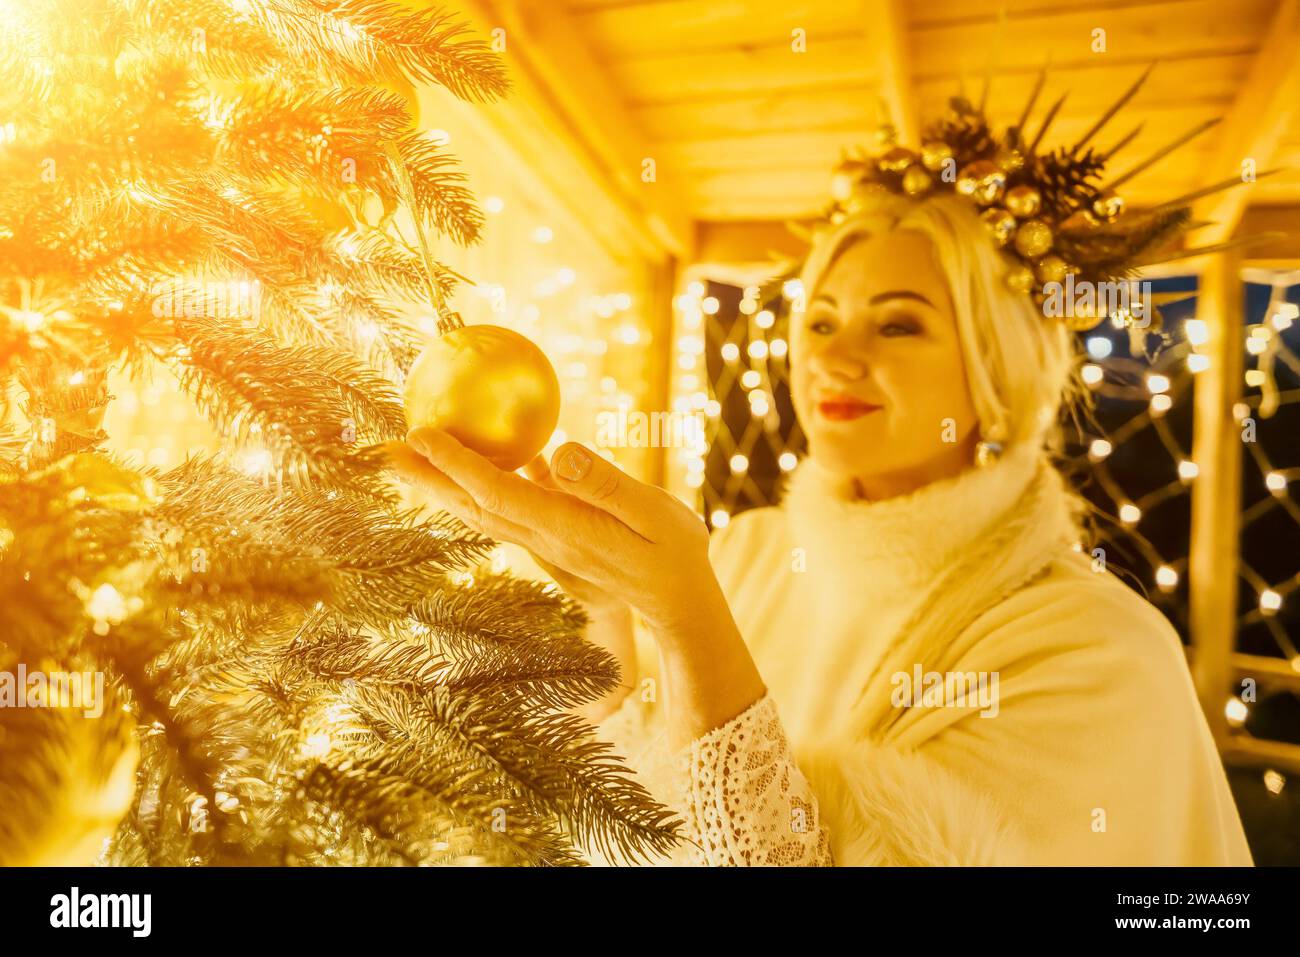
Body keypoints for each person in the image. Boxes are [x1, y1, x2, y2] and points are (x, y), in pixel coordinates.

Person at [389, 123, 1253, 866]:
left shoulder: (1101, 652)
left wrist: (690, 623)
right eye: (823, 320)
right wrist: (610, 624)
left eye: (899, 322)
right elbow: (634, 822)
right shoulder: (750, 552)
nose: (836, 359)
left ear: (996, 373)